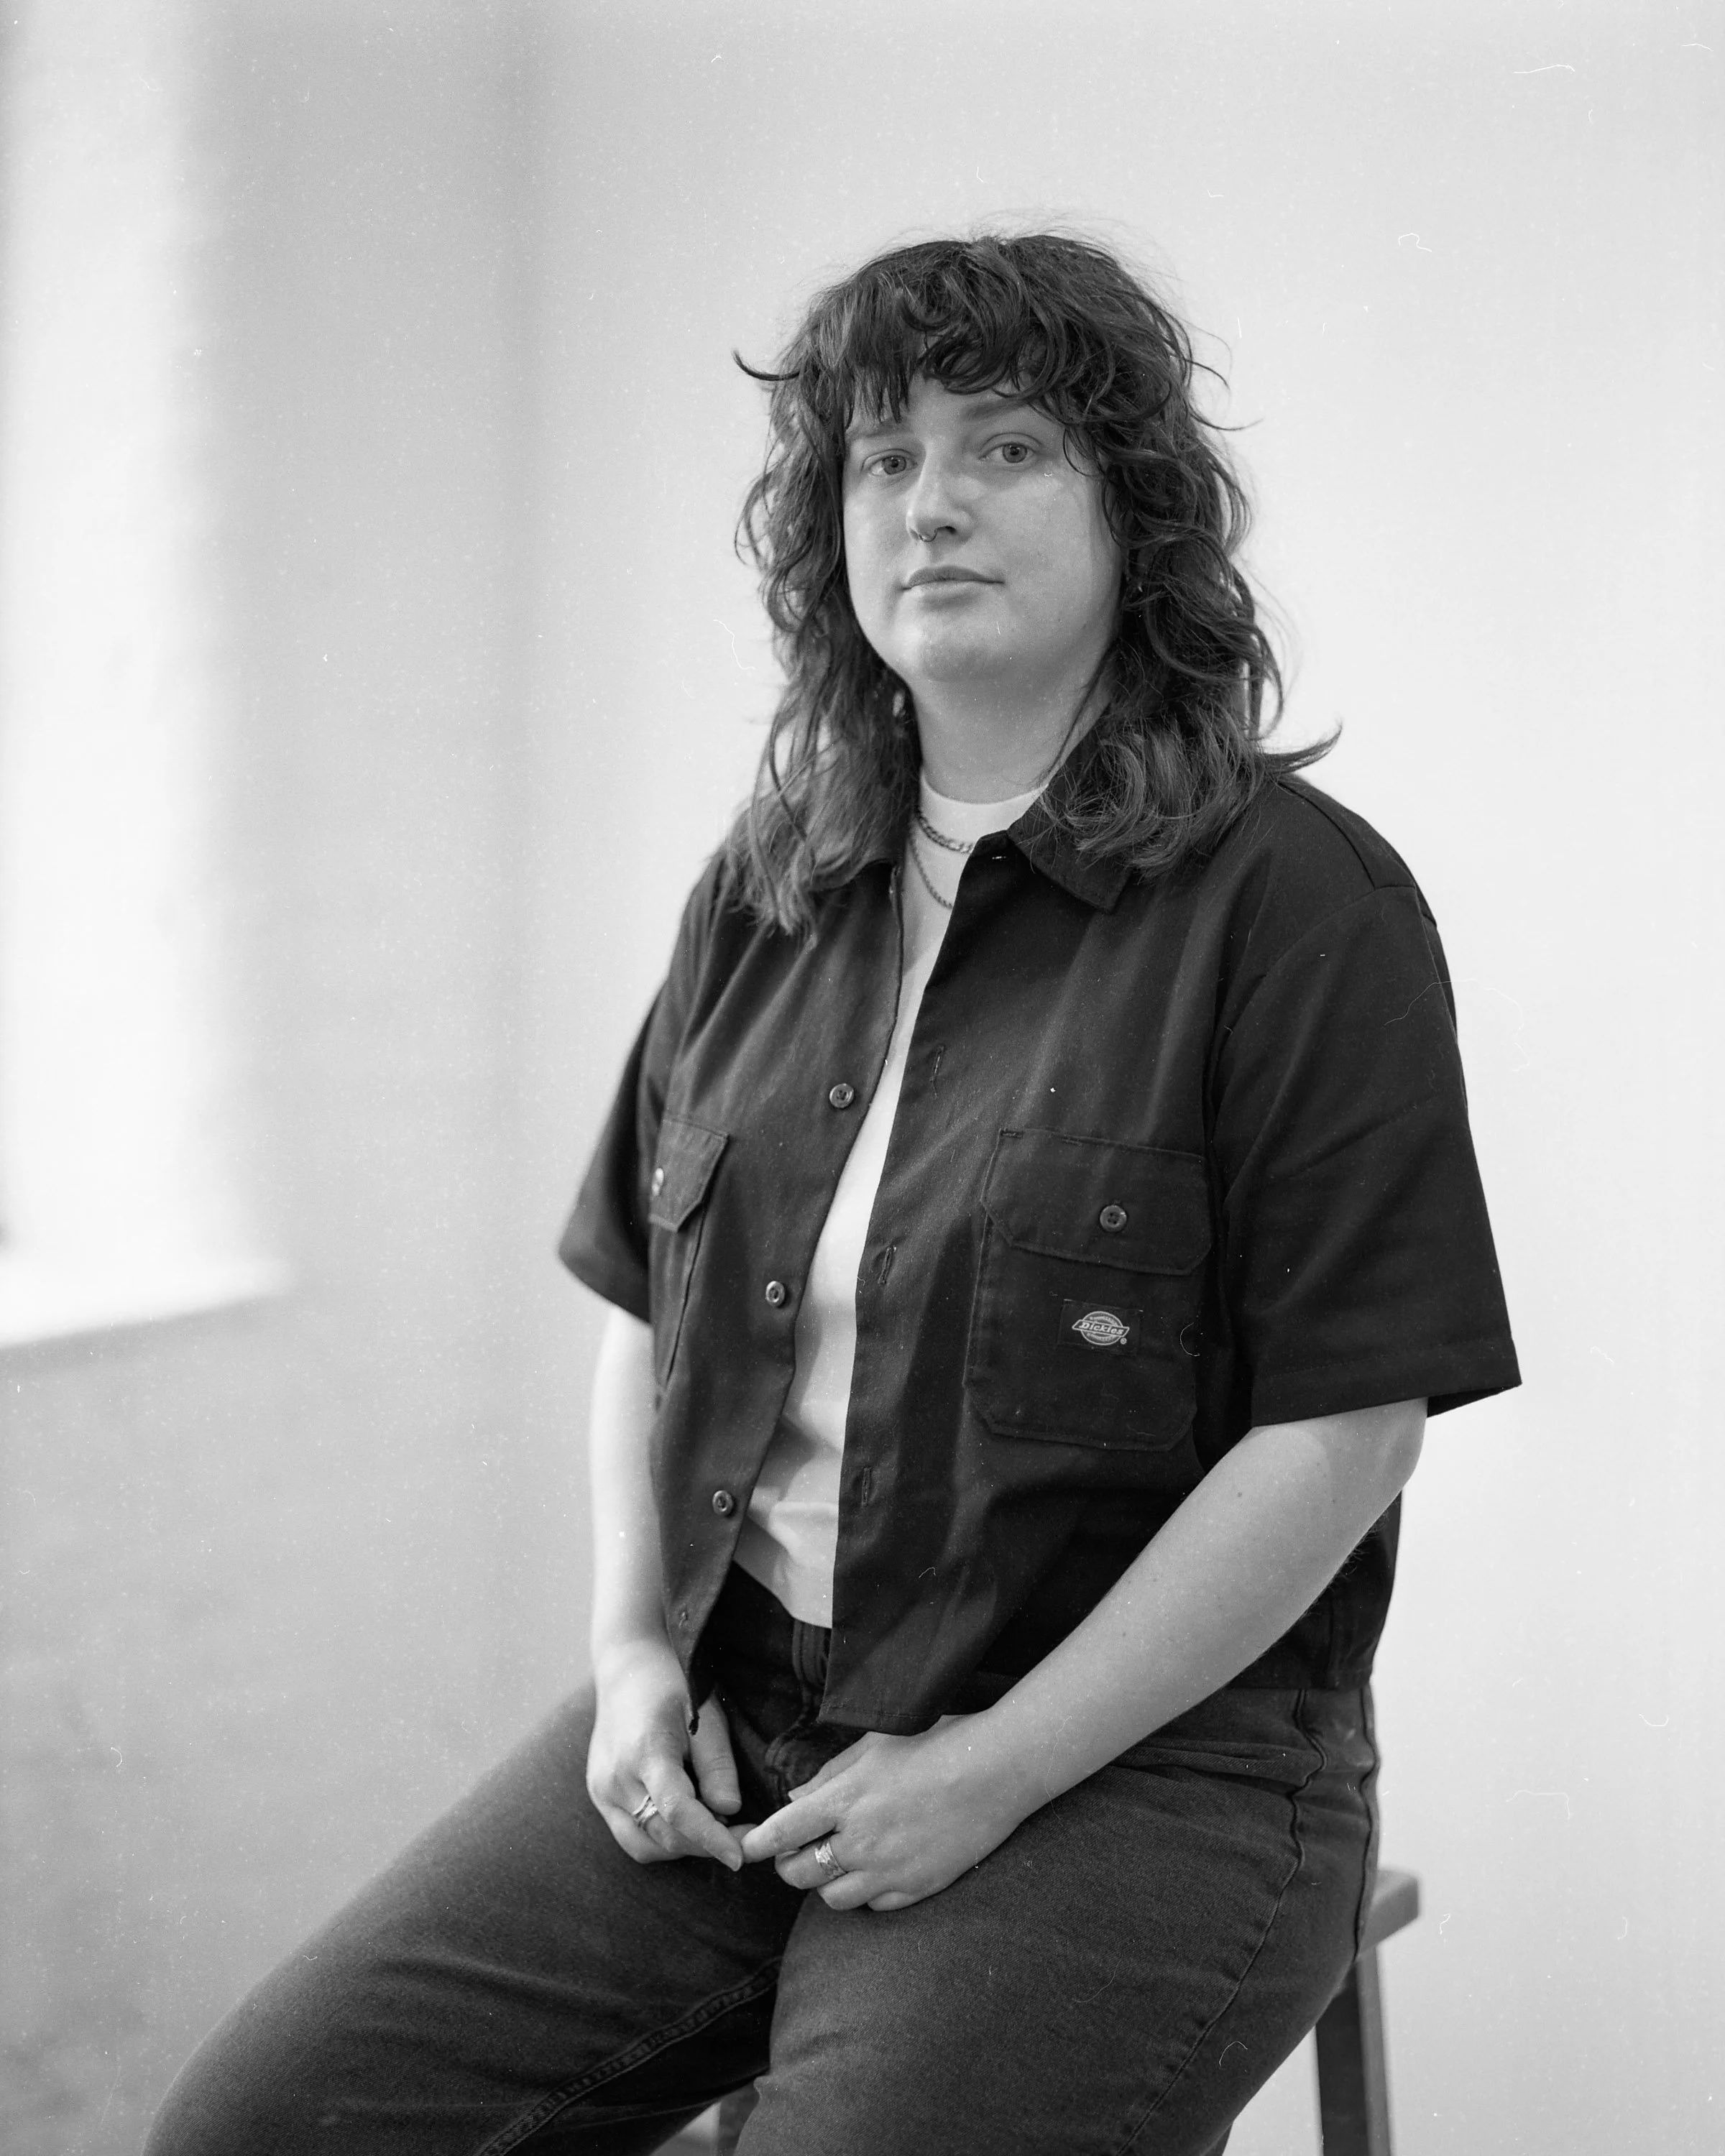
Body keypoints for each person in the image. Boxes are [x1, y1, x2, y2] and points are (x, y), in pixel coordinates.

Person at [147, 231, 1519, 2156]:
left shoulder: (1297, 905)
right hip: (740, 1719)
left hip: (1141, 1766)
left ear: (1138, 517)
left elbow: (1349, 1425)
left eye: (1009, 448)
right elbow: (646, 1299)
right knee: (256, 2129)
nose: (931, 503)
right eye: (883, 459)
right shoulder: (775, 884)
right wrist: (630, 1659)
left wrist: (993, 1770)